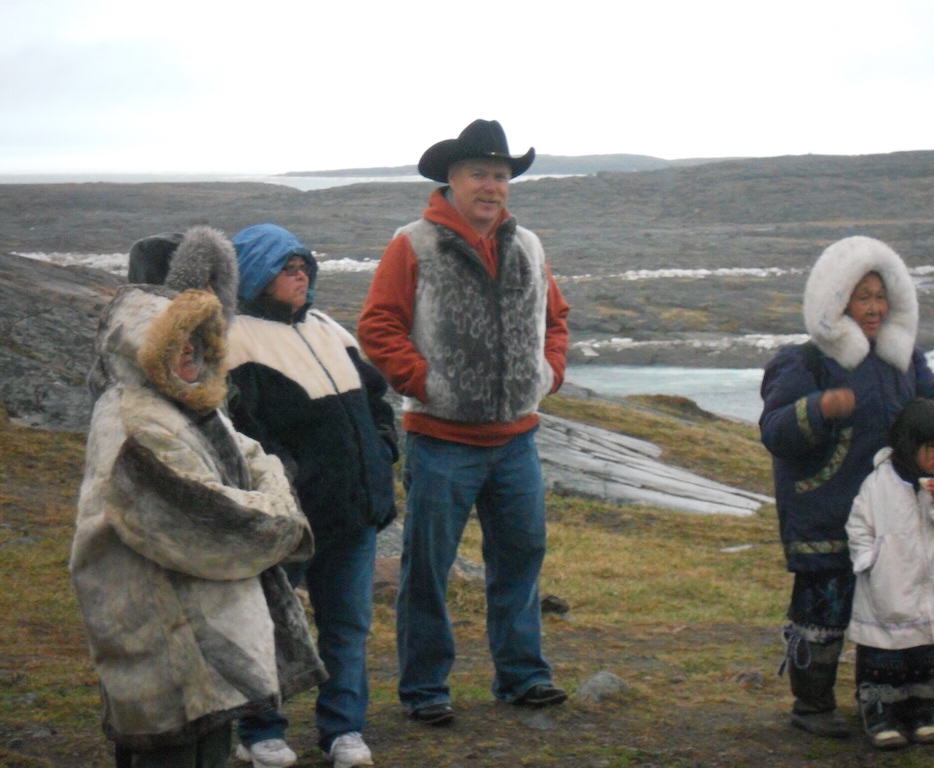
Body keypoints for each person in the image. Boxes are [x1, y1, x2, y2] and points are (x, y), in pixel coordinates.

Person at [70, 226, 324, 768]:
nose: (196, 353)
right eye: (181, 339)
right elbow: (216, 526)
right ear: (149, 340)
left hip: (202, 644)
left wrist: (270, 490)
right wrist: (283, 515)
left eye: (205, 338)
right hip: (170, 647)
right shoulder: (137, 422)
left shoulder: (187, 404)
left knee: (205, 749)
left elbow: (257, 460)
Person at [358, 118, 571, 725]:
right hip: (441, 441)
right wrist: (429, 385)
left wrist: (547, 374)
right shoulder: (414, 244)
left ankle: (523, 676)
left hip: (517, 440)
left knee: (522, 558)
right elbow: (377, 326)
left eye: (501, 175)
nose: (491, 185)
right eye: (479, 173)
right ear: (451, 179)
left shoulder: (528, 245)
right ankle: (425, 689)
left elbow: (556, 319)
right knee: (427, 569)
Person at [759, 235, 934, 739]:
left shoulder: (905, 360)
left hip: (896, 519)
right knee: (823, 613)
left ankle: (895, 704)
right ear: (835, 302)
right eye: (863, 297)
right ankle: (811, 707)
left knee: (895, 608)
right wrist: (820, 409)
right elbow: (775, 432)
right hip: (824, 510)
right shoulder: (802, 362)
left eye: (881, 296)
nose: (875, 308)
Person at [226, 223, 398, 768]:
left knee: (346, 626)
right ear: (255, 274)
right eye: (287, 268)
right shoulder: (235, 338)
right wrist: (291, 478)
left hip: (353, 514)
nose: (301, 276)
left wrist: (384, 446)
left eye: (304, 266)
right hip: (290, 521)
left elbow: (375, 399)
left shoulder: (327, 327)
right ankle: (260, 731)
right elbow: (241, 428)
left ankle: (343, 730)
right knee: (269, 626)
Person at [845, 397, 934, 749]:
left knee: (923, 655)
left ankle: (923, 714)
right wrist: (868, 560)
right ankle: (881, 715)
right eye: (930, 448)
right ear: (909, 445)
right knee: (883, 655)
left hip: (931, 590)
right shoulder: (878, 484)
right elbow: (859, 524)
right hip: (887, 586)